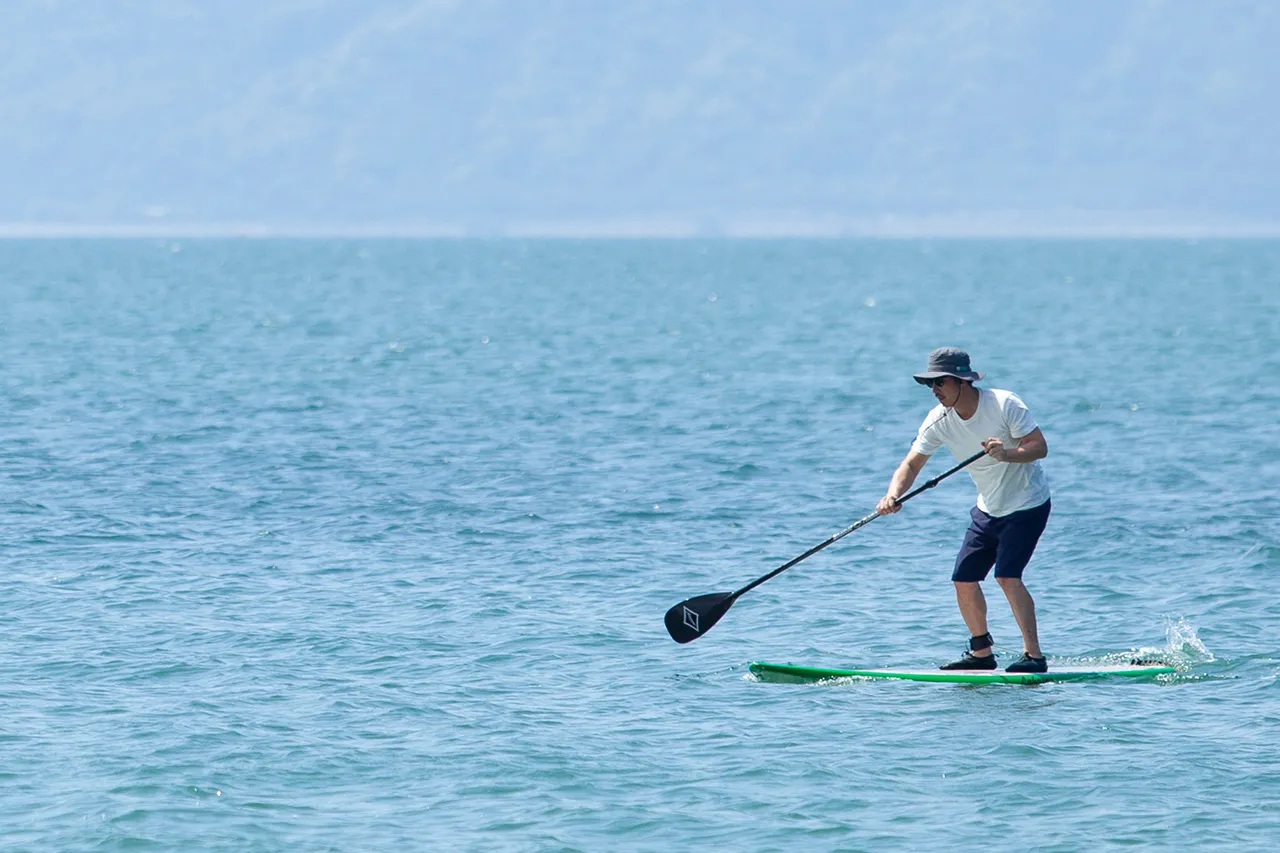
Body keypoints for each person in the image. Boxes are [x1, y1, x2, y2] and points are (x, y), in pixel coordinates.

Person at [876, 347, 1052, 673]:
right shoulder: (938, 421)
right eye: (930, 385)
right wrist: (892, 495)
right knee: (963, 578)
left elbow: (1039, 447)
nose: (935, 390)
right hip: (988, 508)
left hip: (1028, 504)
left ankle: (1034, 656)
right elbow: (911, 465)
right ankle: (981, 653)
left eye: (940, 382)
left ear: (962, 381)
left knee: (1007, 575)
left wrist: (1008, 453)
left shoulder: (1003, 404)